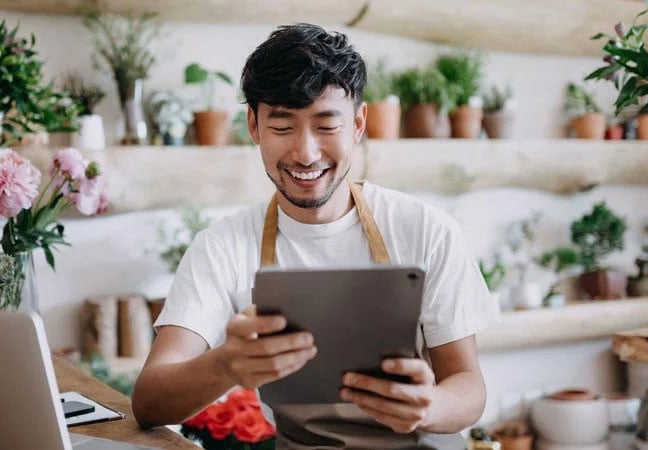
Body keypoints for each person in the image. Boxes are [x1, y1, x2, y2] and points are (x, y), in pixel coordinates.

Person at [132, 23, 498, 449]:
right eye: (283, 127)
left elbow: (469, 387)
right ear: (253, 126)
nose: (306, 153)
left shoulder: (426, 230)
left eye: (326, 126)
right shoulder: (221, 247)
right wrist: (226, 365)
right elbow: (148, 401)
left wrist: (429, 405)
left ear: (359, 123)